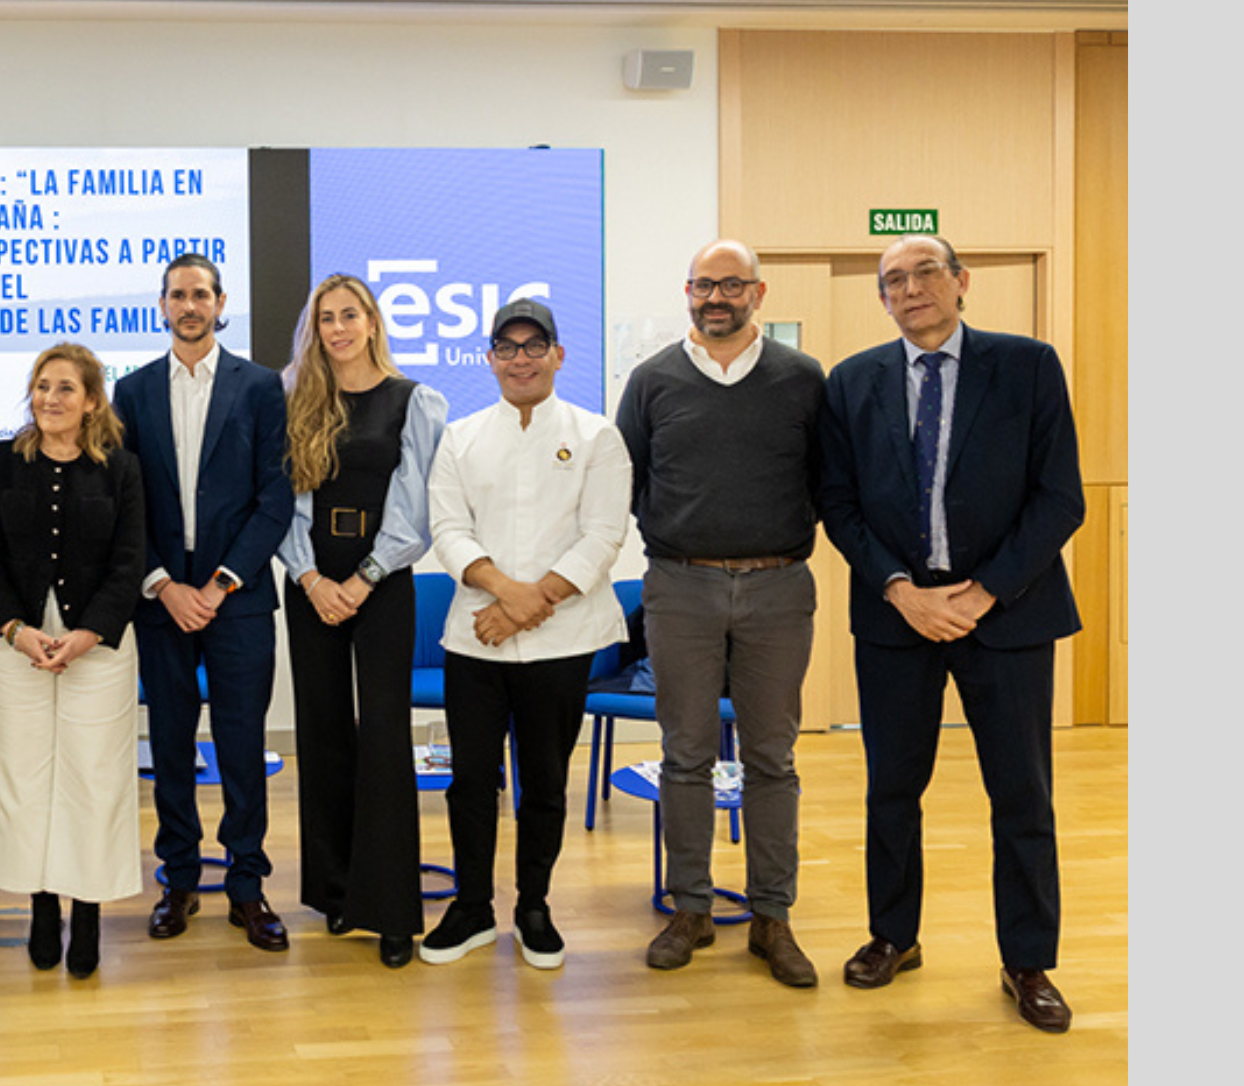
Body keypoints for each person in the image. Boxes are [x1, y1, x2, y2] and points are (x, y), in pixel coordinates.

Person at [818, 235, 1085, 1032]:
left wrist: (986, 594)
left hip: (1006, 614)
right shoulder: (852, 382)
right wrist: (901, 590)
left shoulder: (1028, 365)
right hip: (898, 619)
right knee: (893, 788)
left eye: (924, 272)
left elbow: (1059, 497)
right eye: (893, 280)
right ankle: (893, 935)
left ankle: (1028, 960)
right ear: (882, 299)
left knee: (1022, 793)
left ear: (961, 281)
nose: (910, 289)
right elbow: (840, 505)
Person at [615, 239, 825, 987]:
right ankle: (691, 908)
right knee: (686, 755)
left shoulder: (803, 379)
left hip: (778, 589)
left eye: (732, 285)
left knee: (772, 757)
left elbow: (826, 481)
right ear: (687, 291)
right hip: (680, 588)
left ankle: (773, 916)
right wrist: (683, 542)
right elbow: (627, 482)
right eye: (706, 285)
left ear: (758, 294)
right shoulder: (651, 381)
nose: (718, 298)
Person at [422, 298, 629, 970]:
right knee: (472, 781)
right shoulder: (461, 436)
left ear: (558, 354)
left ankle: (533, 905)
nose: (520, 359)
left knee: (543, 781)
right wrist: (509, 595)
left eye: (533, 345)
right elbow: (448, 529)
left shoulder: (597, 435)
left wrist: (532, 601)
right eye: (506, 348)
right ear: (489, 359)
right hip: (476, 639)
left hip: (562, 641)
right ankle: (473, 907)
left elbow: (603, 535)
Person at [113, 253, 294, 951]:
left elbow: (274, 499)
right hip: (161, 603)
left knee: (243, 747)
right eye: (177, 295)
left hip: (237, 602)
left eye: (201, 294)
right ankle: (179, 879)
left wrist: (218, 585)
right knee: (169, 747)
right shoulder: (131, 392)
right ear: (162, 307)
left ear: (222, 304)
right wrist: (162, 582)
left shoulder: (260, 389)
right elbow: (125, 501)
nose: (189, 305)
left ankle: (247, 886)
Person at [274, 275, 447, 968]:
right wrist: (312, 577)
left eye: (351, 315)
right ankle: (337, 892)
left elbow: (417, 509)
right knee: (321, 733)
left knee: (381, 736)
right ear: (313, 330)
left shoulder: (416, 401)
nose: (339, 329)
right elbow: (280, 498)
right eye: (326, 319)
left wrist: (362, 579)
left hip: (382, 583)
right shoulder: (293, 399)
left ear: (374, 322)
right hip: (310, 582)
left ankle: (392, 909)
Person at [0, 344, 147, 978]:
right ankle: (43, 904)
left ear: (92, 401)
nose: (50, 398)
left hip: (96, 647)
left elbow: (130, 564)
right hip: (14, 642)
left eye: (66, 388)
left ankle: (88, 910)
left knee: (93, 779)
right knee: (24, 776)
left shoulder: (121, 470)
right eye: (42, 386)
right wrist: (15, 630)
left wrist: (88, 633)